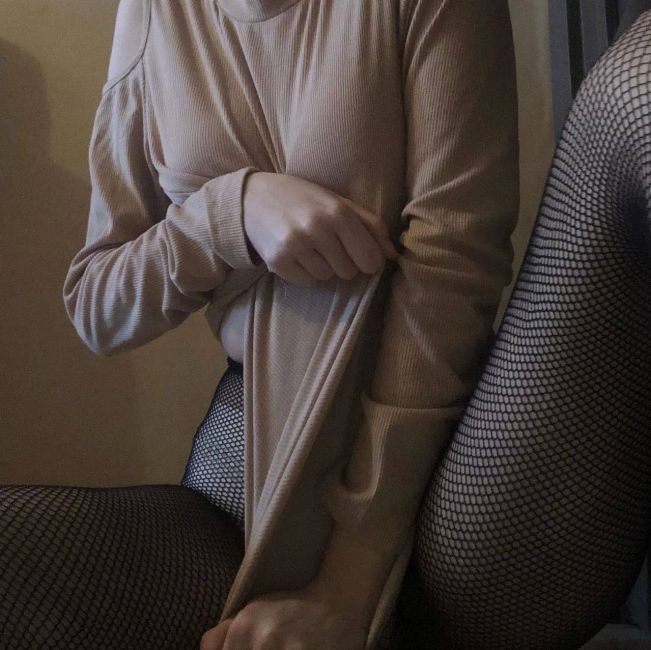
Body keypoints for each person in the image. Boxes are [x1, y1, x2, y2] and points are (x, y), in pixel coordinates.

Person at [5, 1, 650, 649]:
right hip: (254, 458)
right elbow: (98, 307)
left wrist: (349, 580)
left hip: (456, 462)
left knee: (640, 74)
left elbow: (453, 265)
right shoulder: (152, 12)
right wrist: (227, 215)